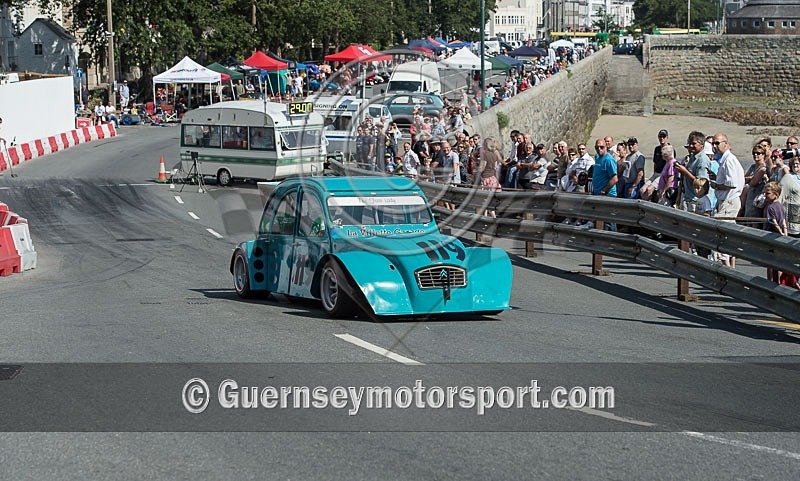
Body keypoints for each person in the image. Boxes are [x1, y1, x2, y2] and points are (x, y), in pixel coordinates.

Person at [710, 133, 745, 268]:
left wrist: (716, 185)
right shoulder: (724, 160)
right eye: (713, 143)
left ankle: (726, 266)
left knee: (720, 232)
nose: (715, 147)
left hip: (729, 201)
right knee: (724, 232)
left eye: (717, 143)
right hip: (727, 200)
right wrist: (716, 177)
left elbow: (732, 183)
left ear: (725, 143)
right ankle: (728, 266)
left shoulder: (729, 160)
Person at [674, 130, 711, 213]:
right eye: (690, 143)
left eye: (694, 144)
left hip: (695, 201)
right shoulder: (691, 157)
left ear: (702, 145)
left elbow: (701, 184)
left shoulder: (702, 160)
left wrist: (685, 171)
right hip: (686, 198)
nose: (691, 146)